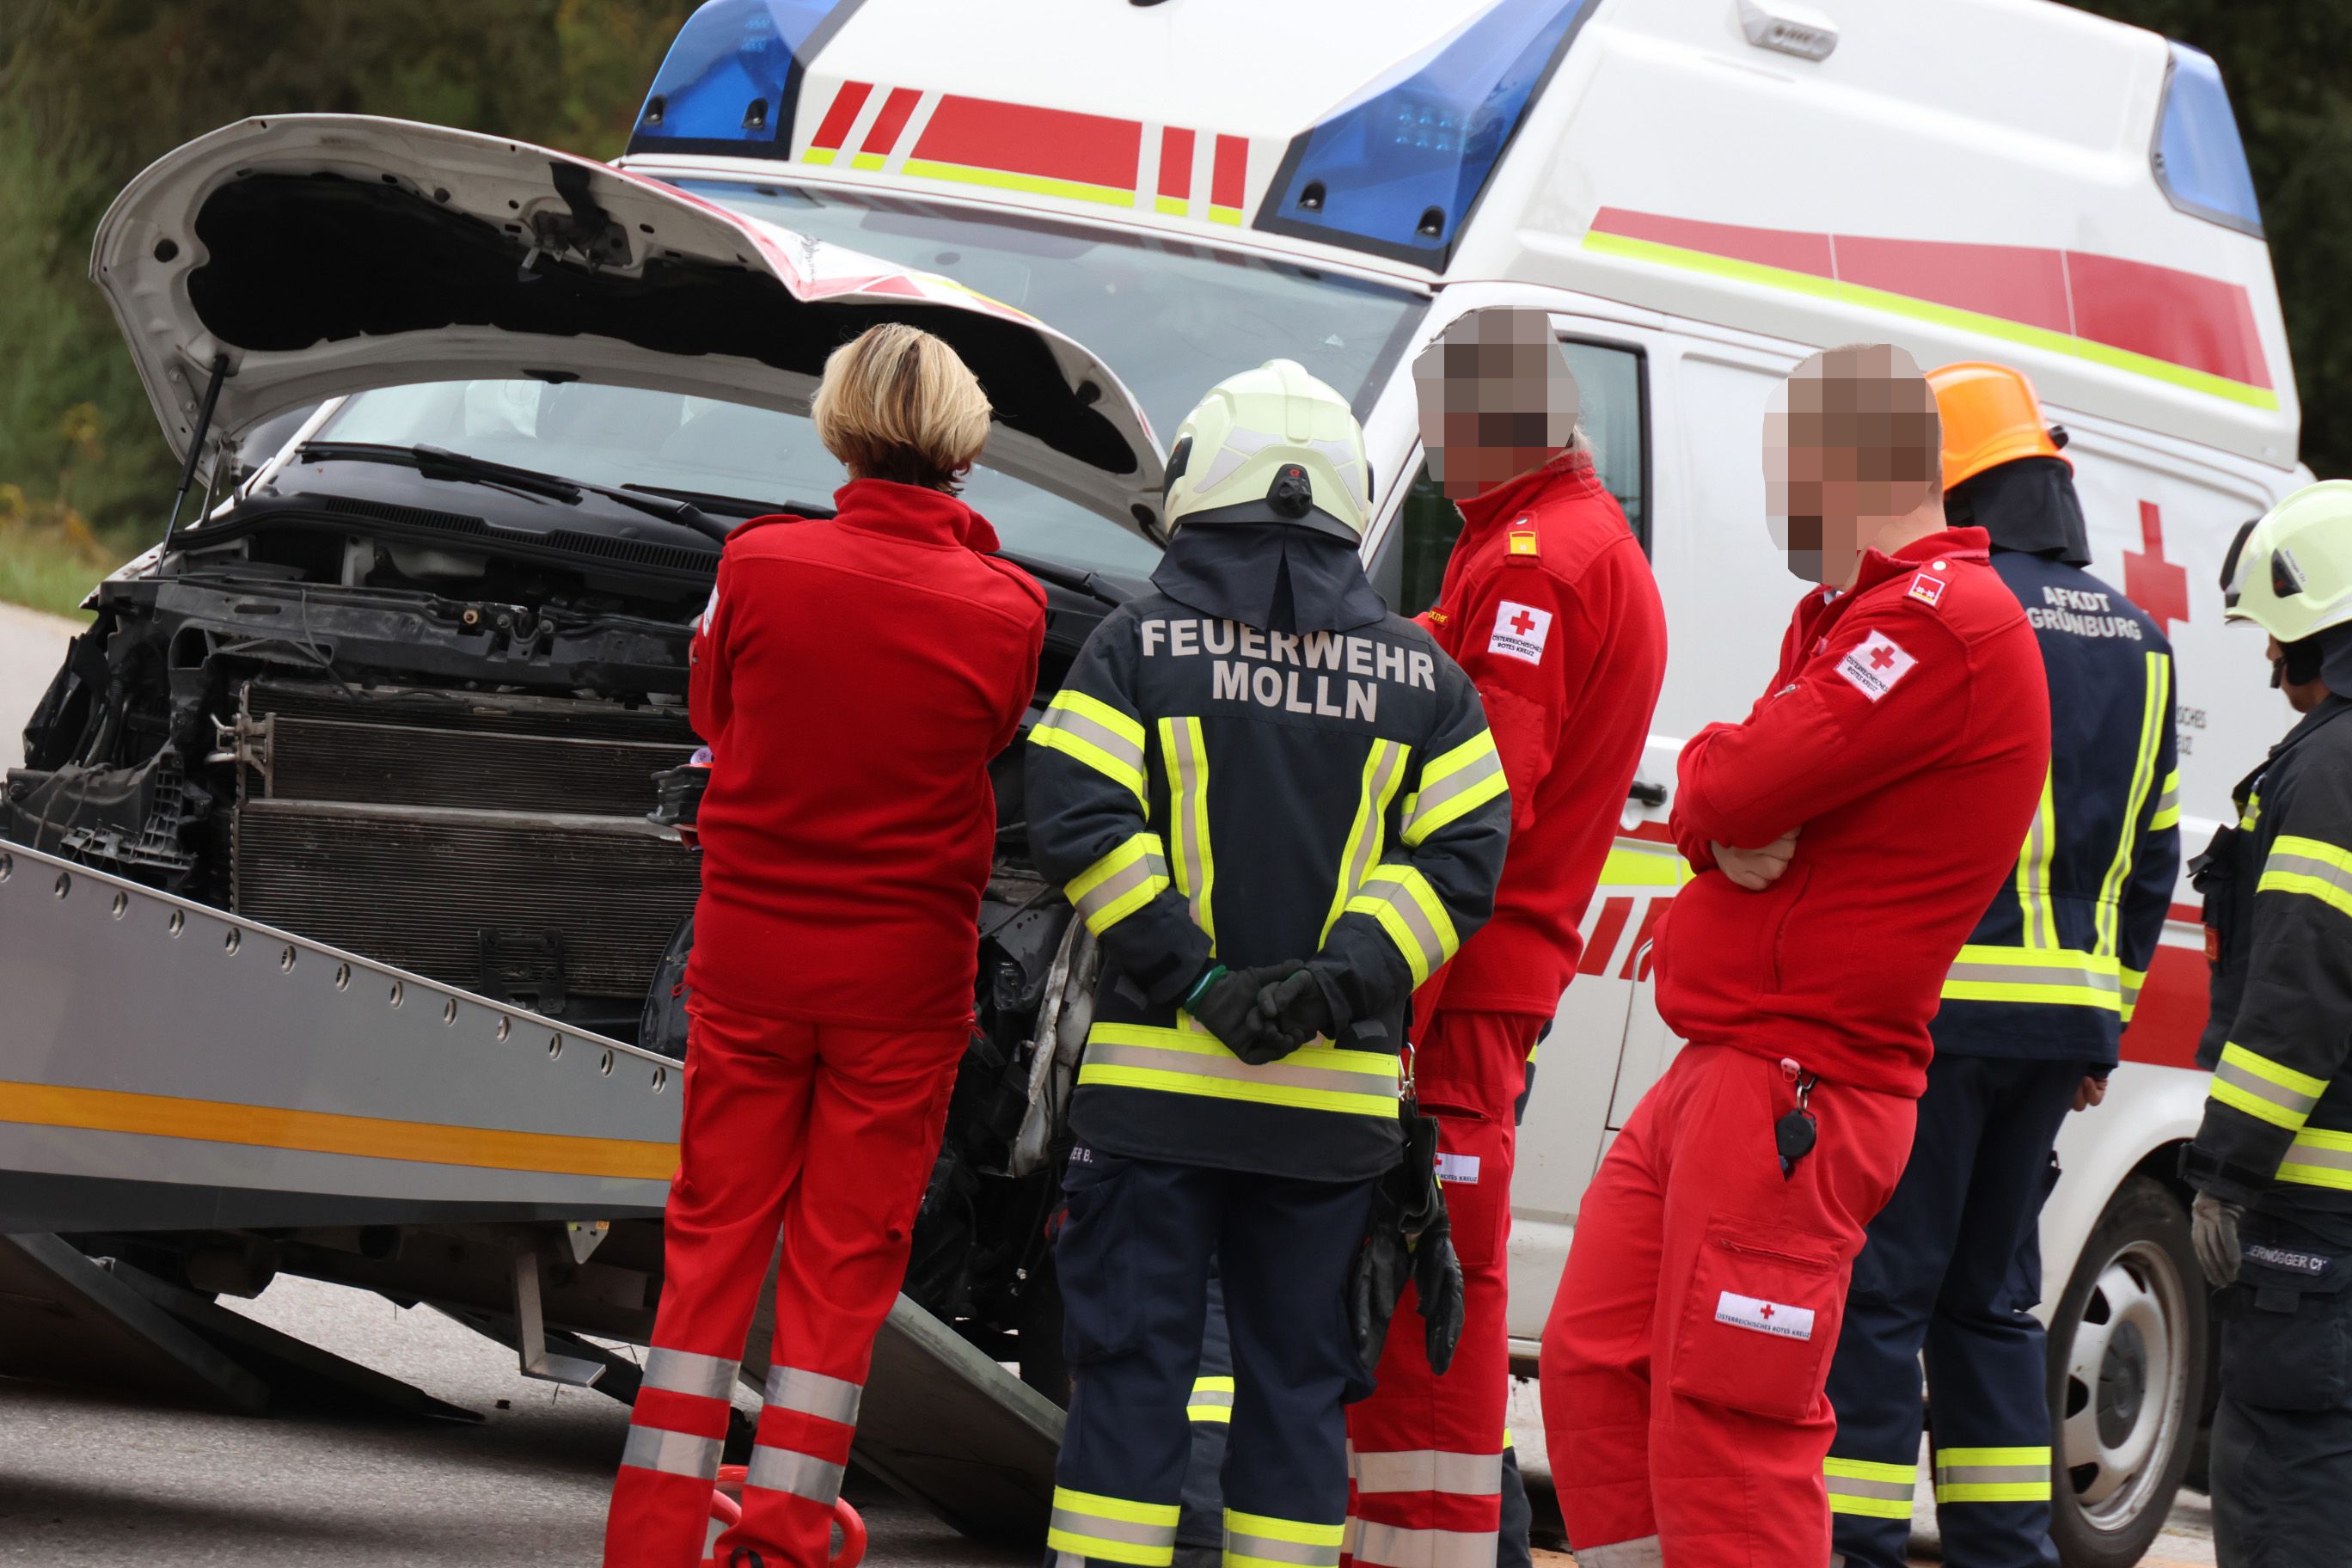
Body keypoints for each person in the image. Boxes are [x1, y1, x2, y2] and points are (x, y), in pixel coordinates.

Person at [1538, 343, 2051, 1566]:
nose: (1775, 502)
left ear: (1850, 466)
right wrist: (1723, 826)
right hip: (1736, 1068)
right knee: (1597, 1362)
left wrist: (1725, 813)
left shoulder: (1939, 623)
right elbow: (1721, 809)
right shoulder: (1858, 616)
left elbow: (1737, 780)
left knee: (1730, 1429)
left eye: (1786, 474)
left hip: (1797, 1089)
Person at [1026, 359, 1510, 1568]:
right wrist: (1335, 988)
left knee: (1133, 1373)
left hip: (1154, 1106)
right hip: (1329, 1120)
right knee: (1297, 1389)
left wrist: (1196, 981)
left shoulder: (1136, 647)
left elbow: (1077, 817)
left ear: (1201, 482)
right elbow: (1463, 861)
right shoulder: (1430, 683)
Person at [603, 324, 1047, 1568]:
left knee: (712, 1241)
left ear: (839, 426)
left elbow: (712, 710)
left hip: (751, 959)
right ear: (963, 444)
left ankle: (654, 1533)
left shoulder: (758, 564)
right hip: (902, 982)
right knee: (845, 1264)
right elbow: (989, 740)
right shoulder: (1008, 608)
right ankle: (788, 1533)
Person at [1821, 362, 2181, 1568]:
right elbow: (2154, 859)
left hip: (1934, 1015)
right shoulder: (2143, 644)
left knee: (1882, 1295)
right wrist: (2100, 1026)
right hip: (2058, 1032)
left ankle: (1856, 1544)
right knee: (1991, 1303)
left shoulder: (1951, 607)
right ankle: (2005, 1551)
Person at [1343, 307, 1667, 1568]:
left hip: (1463, 982)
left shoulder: (1538, 561)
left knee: (1434, 1289)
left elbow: (1484, 798)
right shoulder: (1544, 543)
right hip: (1489, 978)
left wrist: (1382, 983)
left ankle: (1429, 1549)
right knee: (1436, 1284)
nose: (1433, 444)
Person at [2177, 480, 2352, 1568]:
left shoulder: (2331, 772)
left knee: (2289, 1478)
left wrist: (2226, 1173)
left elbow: (2300, 990)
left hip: (2318, 1214)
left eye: (2276, 637)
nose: (2271, 662)